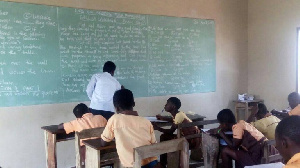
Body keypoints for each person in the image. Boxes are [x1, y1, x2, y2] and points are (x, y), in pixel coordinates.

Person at [100, 89, 159, 168]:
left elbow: (103, 143)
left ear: (116, 108)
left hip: (133, 165)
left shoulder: (114, 119)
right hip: (151, 163)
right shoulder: (146, 122)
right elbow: (153, 144)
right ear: (133, 104)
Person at [153, 97, 201, 167]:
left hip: (189, 141)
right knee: (166, 137)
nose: (165, 105)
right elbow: (173, 120)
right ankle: (164, 162)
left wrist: (157, 128)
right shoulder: (180, 114)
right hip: (193, 138)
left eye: (167, 104)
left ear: (173, 107)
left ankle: (162, 163)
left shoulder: (178, 116)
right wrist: (163, 118)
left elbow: (170, 132)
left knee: (164, 137)